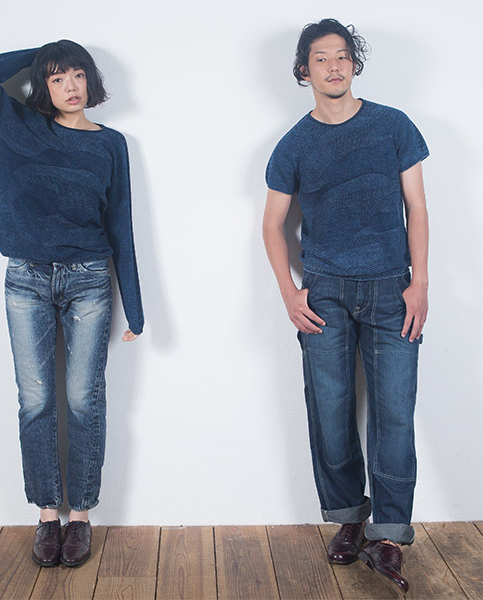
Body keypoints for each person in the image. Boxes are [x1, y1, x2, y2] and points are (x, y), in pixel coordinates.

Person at [0, 40, 144, 568]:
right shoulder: (18, 125)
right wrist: (43, 52)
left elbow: (121, 224)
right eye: (57, 77)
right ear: (44, 84)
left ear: (91, 80)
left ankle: (79, 515)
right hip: (26, 277)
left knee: (85, 399)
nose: (70, 86)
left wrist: (134, 306)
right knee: (36, 399)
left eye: (77, 74)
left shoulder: (111, 144)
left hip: (89, 278)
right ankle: (46, 515)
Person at [263, 19, 429, 594]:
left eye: (342, 56)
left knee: (394, 414)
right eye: (321, 58)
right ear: (303, 70)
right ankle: (349, 518)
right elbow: (273, 224)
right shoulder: (293, 144)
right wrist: (289, 293)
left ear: (354, 64)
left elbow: (417, 208)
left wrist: (420, 282)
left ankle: (389, 536)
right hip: (325, 293)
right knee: (330, 412)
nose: (333, 66)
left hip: (392, 290)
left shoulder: (393, 126)